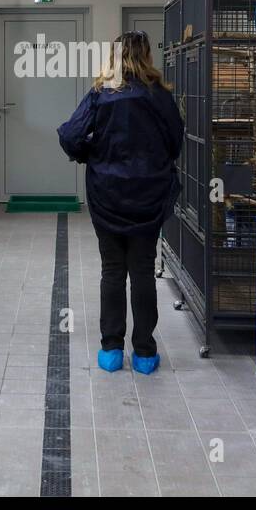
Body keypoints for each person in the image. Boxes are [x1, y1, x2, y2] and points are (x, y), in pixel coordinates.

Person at [57, 31, 184, 375]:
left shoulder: (102, 93)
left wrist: (91, 154)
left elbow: (69, 135)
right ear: (146, 56)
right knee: (142, 271)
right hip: (149, 196)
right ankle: (144, 354)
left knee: (112, 271)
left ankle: (111, 351)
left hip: (107, 195)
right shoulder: (160, 96)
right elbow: (176, 142)